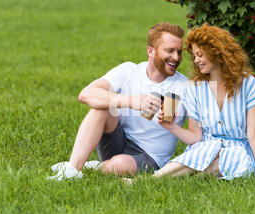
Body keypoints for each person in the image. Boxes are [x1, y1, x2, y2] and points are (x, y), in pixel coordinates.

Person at [48, 22, 188, 180]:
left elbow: (199, 132)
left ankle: (96, 167)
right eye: (170, 51)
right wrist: (131, 101)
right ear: (150, 51)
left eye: (179, 52)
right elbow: (86, 94)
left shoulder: (183, 87)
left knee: (116, 166)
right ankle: (72, 169)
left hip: (150, 156)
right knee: (102, 105)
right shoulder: (129, 71)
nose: (176, 58)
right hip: (118, 140)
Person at [153, 23, 255, 180]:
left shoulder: (248, 84)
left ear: (216, 53)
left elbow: (254, 133)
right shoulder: (194, 88)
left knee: (230, 158)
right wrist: (172, 126)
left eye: (200, 55)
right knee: (203, 152)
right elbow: (196, 137)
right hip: (205, 148)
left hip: (238, 151)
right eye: (194, 56)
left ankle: (184, 177)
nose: (196, 60)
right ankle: (152, 179)